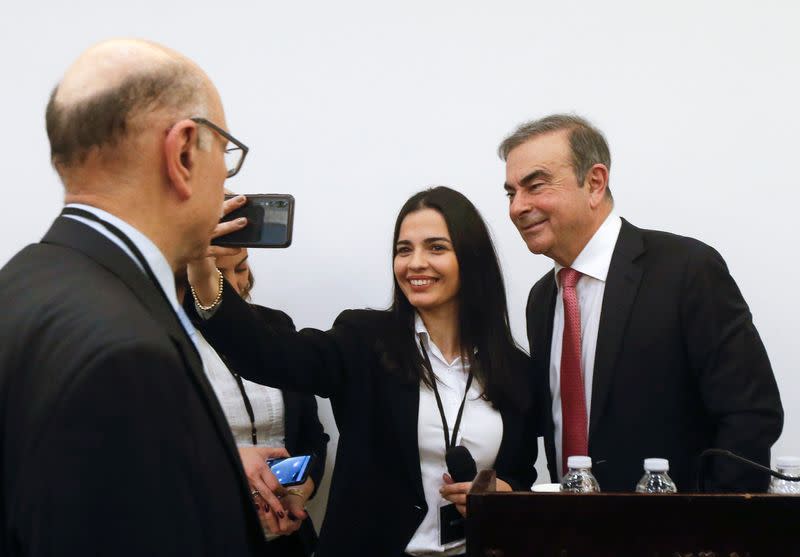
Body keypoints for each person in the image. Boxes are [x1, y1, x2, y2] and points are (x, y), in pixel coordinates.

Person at [0, 39, 270, 555]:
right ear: (185, 151)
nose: (224, 181)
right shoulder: (127, 358)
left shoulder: (21, 283)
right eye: (226, 155)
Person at [186, 187, 538, 556]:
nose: (415, 263)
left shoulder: (514, 367)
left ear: (472, 258)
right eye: (404, 250)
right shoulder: (364, 340)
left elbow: (520, 473)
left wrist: (506, 494)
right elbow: (270, 355)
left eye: (436, 248)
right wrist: (201, 269)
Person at [499, 113, 783, 492]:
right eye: (511, 192)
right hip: (568, 535)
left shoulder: (686, 271)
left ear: (595, 183)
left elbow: (750, 415)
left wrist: (709, 529)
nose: (518, 207)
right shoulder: (542, 298)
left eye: (535, 186)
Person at [187, 248, 329, 556]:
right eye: (218, 275)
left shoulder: (274, 326)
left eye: (241, 269)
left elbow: (312, 436)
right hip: (207, 534)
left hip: (287, 538)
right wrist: (230, 458)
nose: (234, 287)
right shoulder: (166, 338)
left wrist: (299, 493)